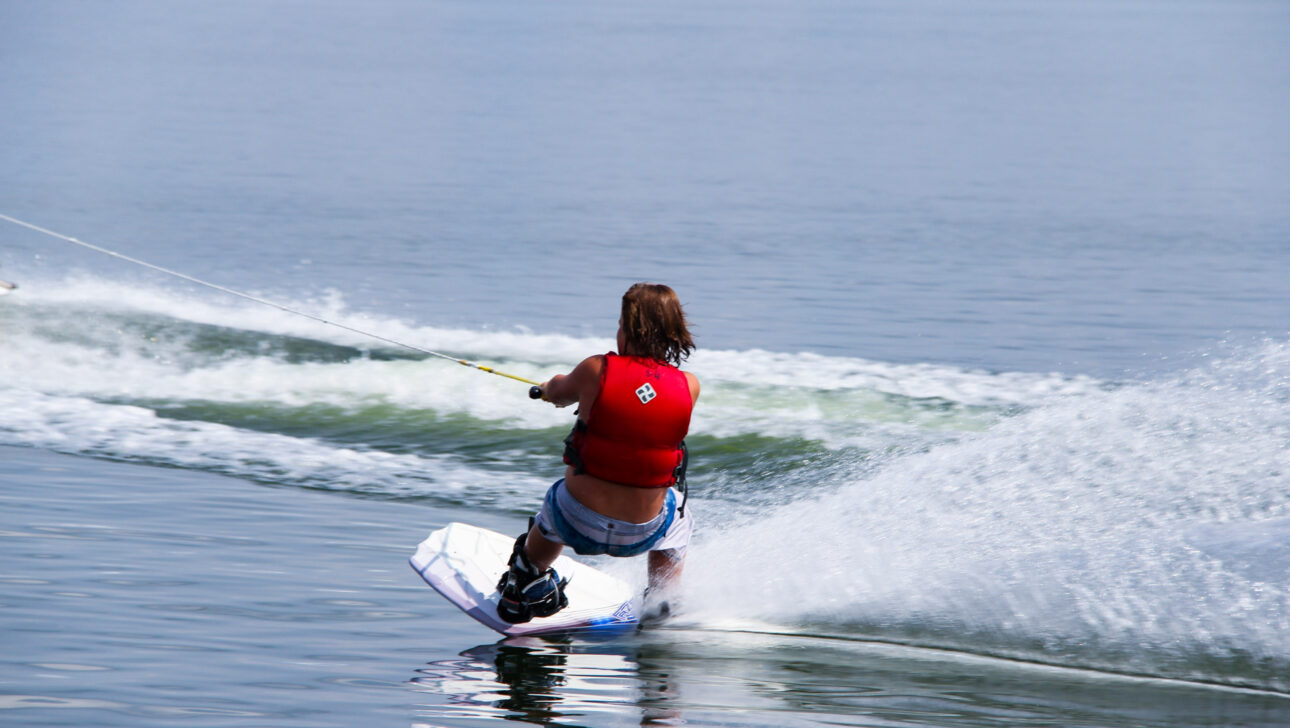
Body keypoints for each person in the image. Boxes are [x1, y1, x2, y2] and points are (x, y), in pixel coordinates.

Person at [496, 282, 700, 624]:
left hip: (572, 522)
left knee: (556, 498)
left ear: (630, 329)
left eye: (621, 325)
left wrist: (548, 389)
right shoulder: (689, 386)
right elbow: (644, 406)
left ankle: (524, 581)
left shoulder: (595, 369)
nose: (617, 331)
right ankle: (662, 603)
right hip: (644, 532)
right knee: (680, 516)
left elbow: (560, 393)